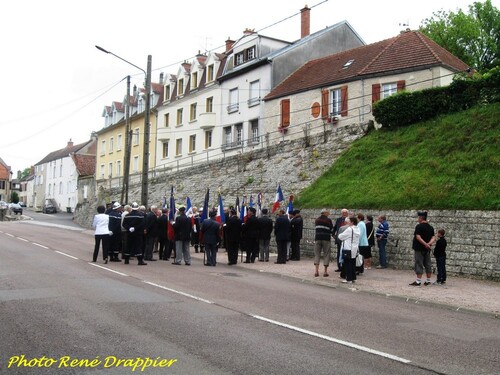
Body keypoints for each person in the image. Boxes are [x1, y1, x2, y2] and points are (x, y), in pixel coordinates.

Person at [410, 211, 435, 286]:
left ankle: (418, 281)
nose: (418, 219)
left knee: (419, 263)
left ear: (421, 218)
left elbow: (418, 237)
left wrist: (424, 244)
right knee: (428, 264)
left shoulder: (419, 226)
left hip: (419, 248)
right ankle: (428, 280)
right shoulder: (430, 227)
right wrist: (429, 244)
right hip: (427, 249)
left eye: (418, 217)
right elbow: (433, 237)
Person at [338, 216, 360, 284]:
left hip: (348, 248)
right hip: (354, 248)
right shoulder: (357, 229)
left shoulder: (349, 229)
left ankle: (348, 279)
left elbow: (340, 236)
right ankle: (353, 278)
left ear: (352, 222)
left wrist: (343, 236)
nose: (348, 222)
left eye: (349, 221)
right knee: (353, 264)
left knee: (347, 264)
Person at [314, 208, 333, 277]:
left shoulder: (317, 220)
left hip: (318, 238)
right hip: (326, 238)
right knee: (326, 254)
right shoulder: (328, 220)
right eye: (328, 212)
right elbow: (331, 228)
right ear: (324, 213)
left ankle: (316, 271)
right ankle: (325, 271)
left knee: (317, 254)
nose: (329, 213)